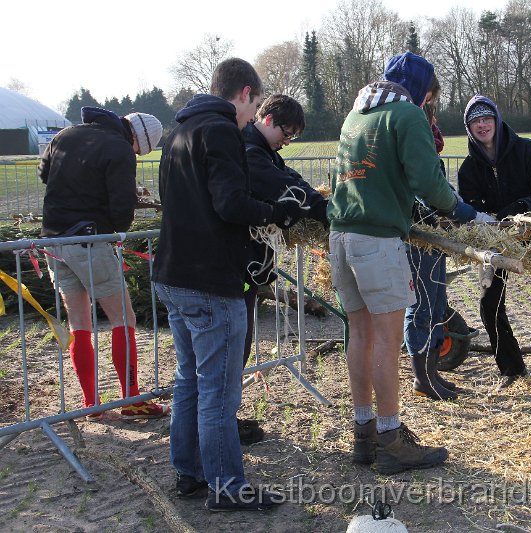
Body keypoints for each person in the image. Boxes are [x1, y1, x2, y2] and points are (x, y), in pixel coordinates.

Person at [152, 58, 304, 511]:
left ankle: (190, 472)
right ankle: (227, 485)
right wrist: (276, 212)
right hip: (209, 280)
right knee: (218, 388)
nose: (251, 113)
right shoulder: (219, 131)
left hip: (173, 273)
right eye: (254, 102)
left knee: (191, 382)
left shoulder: (178, 131)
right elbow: (230, 203)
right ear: (244, 94)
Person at [328, 51, 479, 475]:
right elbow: (427, 181)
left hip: (340, 234)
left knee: (359, 335)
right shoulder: (406, 113)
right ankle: (392, 441)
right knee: (387, 341)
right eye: (430, 95)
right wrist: (461, 210)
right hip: (377, 239)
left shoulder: (356, 114)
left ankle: (364, 434)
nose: (430, 103)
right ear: (422, 90)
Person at [39, 106, 169, 420]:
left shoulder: (67, 134)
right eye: (142, 150)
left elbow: (45, 174)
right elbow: (122, 213)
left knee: (80, 325)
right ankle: (131, 400)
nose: (136, 155)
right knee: (123, 317)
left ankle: (91, 405)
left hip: (53, 240)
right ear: (138, 140)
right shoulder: (120, 149)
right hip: (89, 240)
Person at [457, 95, 531, 389]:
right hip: (495, 241)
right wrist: (488, 218)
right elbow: (470, 206)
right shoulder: (469, 169)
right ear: (469, 128)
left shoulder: (528, 150)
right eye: (475, 121)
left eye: (486, 118)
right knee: (490, 302)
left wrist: (518, 208)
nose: (482, 125)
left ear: (496, 119)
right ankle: (511, 367)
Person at [238, 94, 328, 444]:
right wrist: (321, 211)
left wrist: (320, 202)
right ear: (269, 119)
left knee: (241, 345)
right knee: (234, 348)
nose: (287, 142)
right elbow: (282, 187)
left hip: (250, 270)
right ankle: (221, 422)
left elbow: (293, 179)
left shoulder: (266, 152)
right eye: (286, 133)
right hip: (240, 266)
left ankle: (226, 416)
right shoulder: (250, 151)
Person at [403, 103, 493, 401]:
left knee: (436, 304)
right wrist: (460, 214)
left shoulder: (430, 153)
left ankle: (432, 374)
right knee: (421, 308)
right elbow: (426, 196)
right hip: (418, 239)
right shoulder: (412, 149)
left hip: (436, 239)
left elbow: (442, 191)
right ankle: (422, 378)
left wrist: (458, 215)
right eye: (432, 120)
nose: (436, 124)